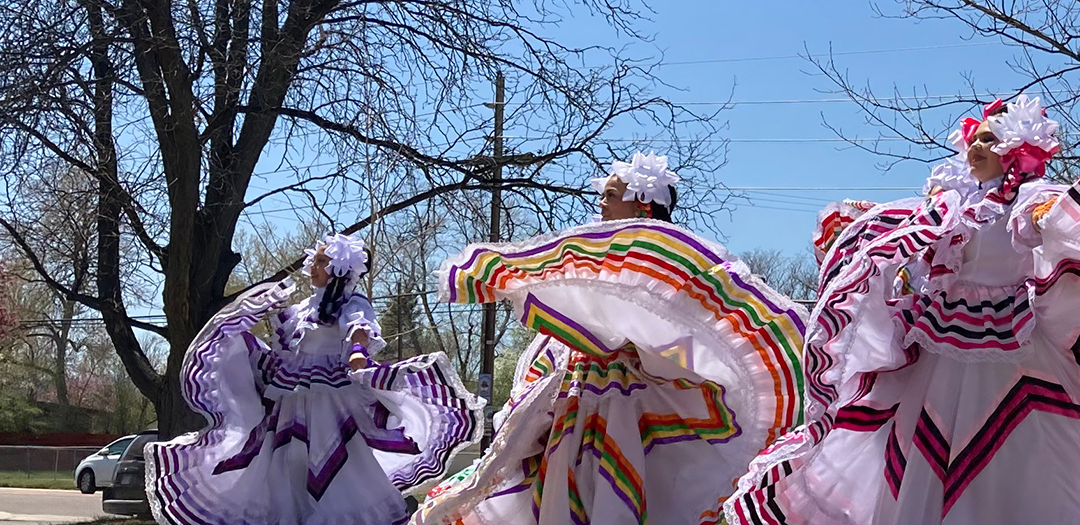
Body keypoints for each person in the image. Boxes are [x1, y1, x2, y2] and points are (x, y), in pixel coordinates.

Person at [724, 96, 1080, 524]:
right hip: (940, 346)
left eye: (990, 139)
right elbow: (912, 241)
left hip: (1014, 345)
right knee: (917, 450)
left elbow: (1056, 216)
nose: (976, 147)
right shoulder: (953, 205)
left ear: (1016, 147)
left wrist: (1051, 214)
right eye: (975, 138)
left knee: (1018, 454)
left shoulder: (1027, 199)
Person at [411, 153, 809, 525]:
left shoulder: (654, 265)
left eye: (611, 195)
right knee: (561, 488)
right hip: (579, 394)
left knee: (608, 486)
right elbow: (568, 294)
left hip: (627, 400)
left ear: (642, 205)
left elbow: (655, 337)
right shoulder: (600, 258)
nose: (601, 202)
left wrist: (507, 277)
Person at [145, 234, 484, 525]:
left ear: (339, 268)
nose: (313, 267)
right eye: (315, 260)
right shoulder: (304, 307)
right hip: (292, 394)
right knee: (284, 455)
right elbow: (286, 348)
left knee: (333, 455)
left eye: (322, 261)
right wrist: (245, 332)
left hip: (329, 393)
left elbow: (358, 328)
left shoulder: (351, 302)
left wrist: (356, 353)